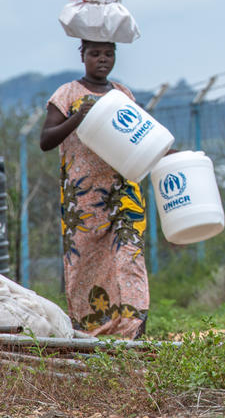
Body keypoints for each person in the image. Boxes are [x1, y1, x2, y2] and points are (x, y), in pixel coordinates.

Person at [39, 39, 150, 337]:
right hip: (84, 202)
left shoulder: (122, 94)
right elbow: (46, 140)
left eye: (108, 54)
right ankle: (92, 337)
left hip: (122, 194)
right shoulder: (67, 94)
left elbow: (141, 135)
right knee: (86, 269)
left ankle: (133, 331)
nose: (102, 59)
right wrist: (79, 116)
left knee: (129, 258)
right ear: (82, 56)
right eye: (95, 53)